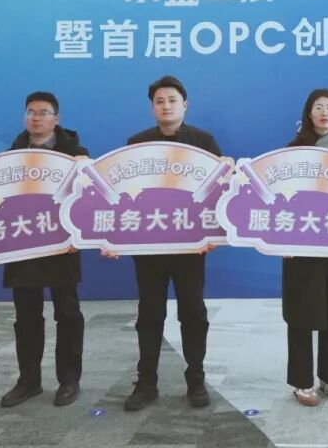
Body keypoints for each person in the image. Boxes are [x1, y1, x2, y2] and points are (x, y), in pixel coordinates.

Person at [123, 75, 221, 412]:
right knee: (149, 314)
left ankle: (196, 378)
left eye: (172, 100)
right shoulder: (137, 143)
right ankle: (146, 382)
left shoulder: (203, 142)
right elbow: (127, 196)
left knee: (193, 313)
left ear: (185, 105)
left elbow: (217, 193)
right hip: (149, 247)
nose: (166, 106)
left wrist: (213, 234)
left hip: (190, 247)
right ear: (152, 107)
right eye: (160, 101)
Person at [0, 91, 87, 408]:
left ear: (56, 119)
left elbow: (86, 200)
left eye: (43, 112)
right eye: (31, 112)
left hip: (61, 246)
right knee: (26, 316)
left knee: (68, 313)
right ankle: (29, 380)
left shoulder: (76, 155)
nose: (36, 118)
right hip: (23, 246)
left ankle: (69, 380)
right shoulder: (11, 155)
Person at [282, 89, 328, 407]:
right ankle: (302, 382)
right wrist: (280, 240)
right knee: (302, 315)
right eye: (318, 107)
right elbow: (279, 199)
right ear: (308, 113)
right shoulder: (293, 151)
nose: (325, 112)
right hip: (302, 248)